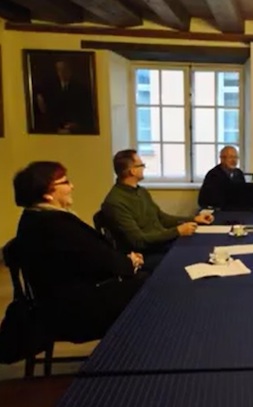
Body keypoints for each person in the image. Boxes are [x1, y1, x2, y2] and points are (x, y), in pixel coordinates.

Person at [12, 161, 145, 341]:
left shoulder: (35, 217)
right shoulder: (55, 225)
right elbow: (100, 260)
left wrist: (125, 262)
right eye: (65, 182)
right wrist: (130, 262)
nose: (72, 186)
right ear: (47, 193)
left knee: (145, 283)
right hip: (73, 311)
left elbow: (91, 257)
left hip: (62, 300)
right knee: (150, 289)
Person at [102, 149, 214, 269]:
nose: (144, 167)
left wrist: (194, 219)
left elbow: (162, 218)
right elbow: (139, 241)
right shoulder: (115, 202)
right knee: (194, 257)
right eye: (141, 165)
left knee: (203, 247)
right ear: (132, 171)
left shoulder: (141, 191)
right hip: (146, 254)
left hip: (160, 244)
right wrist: (177, 231)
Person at [34, 59, 95, 134]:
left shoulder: (81, 89)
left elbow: (86, 113)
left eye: (64, 69)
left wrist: (76, 126)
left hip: (75, 129)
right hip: (56, 129)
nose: (61, 73)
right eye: (59, 70)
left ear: (70, 70)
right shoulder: (51, 87)